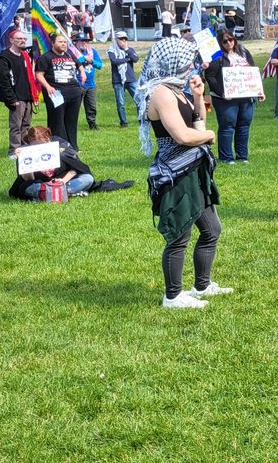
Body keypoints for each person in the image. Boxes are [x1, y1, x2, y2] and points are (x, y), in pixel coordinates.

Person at [136, 36, 230, 309]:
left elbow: (197, 126)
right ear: (175, 61)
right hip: (176, 172)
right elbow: (182, 136)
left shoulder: (177, 90)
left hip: (195, 168)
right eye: (189, 60)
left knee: (212, 229)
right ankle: (173, 296)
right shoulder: (161, 93)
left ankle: (202, 285)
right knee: (179, 235)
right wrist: (213, 135)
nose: (194, 65)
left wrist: (199, 97)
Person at [203, 30, 262, 164]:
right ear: (220, 42)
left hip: (246, 96)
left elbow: (253, 71)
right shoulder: (216, 56)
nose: (229, 43)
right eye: (225, 41)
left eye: (231, 39)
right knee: (227, 126)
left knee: (244, 125)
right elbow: (210, 76)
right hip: (225, 98)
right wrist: (221, 92)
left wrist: (259, 91)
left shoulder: (243, 51)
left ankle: (242, 156)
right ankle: (226, 157)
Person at [8, 126, 95, 200]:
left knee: (88, 179)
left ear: (48, 140)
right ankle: (62, 194)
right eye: (35, 145)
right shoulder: (25, 152)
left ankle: (53, 194)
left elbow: (75, 168)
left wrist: (63, 181)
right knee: (28, 188)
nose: (39, 147)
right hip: (41, 185)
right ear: (30, 143)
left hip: (64, 181)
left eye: (42, 144)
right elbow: (28, 179)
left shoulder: (61, 146)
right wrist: (26, 162)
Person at [34, 33, 84, 150]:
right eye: (60, 42)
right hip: (56, 94)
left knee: (71, 121)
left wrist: (82, 72)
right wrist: (47, 86)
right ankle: (59, 146)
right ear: (53, 43)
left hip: (74, 93)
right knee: (57, 120)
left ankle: (73, 147)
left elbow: (79, 64)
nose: (63, 44)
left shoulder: (70, 54)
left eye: (65, 42)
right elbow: (39, 74)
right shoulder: (45, 57)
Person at [0, 26, 40, 156]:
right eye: (19, 38)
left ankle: (24, 147)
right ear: (11, 40)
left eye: (24, 38)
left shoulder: (25, 55)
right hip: (16, 97)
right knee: (16, 125)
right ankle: (14, 150)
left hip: (27, 95)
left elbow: (30, 77)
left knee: (26, 124)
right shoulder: (5, 56)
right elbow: (4, 79)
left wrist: (34, 96)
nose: (22, 40)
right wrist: (11, 99)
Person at [108, 31, 139, 127]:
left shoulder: (130, 50)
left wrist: (126, 50)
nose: (123, 41)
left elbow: (135, 59)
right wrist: (126, 59)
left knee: (139, 100)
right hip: (118, 80)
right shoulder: (111, 50)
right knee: (120, 103)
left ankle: (141, 120)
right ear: (116, 40)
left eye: (125, 39)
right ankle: (123, 122)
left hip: (131, 79)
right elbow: (114, 61)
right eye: (121, 39)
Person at [74, 32, 102, 131]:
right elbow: (73, 62)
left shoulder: (92, 52)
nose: (84, 43)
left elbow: (100, 65)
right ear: (76, 42)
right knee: (75, 106)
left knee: (92, 106)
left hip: (91, 85)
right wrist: (82, 59)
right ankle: (73, 124)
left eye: (86, 41)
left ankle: (92, 123)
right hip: (77, 84)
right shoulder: (72, 52)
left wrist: (91, 61)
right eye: (82, 41)